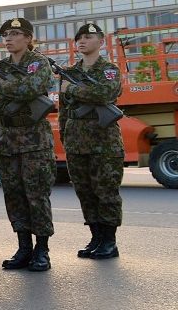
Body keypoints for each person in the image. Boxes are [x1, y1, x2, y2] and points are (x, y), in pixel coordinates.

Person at [0, 17, 56, 272]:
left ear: (28, 38)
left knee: (36, 196)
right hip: (7, 141)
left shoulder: (38, 63)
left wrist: (3, 85)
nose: (9, 38)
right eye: (6, 34)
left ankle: (42, 249)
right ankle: (23, 247)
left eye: (16, 33)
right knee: (14, 197)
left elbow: (34, 87)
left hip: (34, 142)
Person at [60, 23, 123, 260]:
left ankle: (109, 241)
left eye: (88, 37)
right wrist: (66, 137)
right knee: (85, 192)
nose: (82, 41)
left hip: (103, 141)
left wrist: (73, 89)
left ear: (101, 42)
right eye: (79, 38)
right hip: (77, 141)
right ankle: (96, 237)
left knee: (105, 191)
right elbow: (64, 109)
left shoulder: (108, 70)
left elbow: (106, 93)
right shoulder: (70, 72)